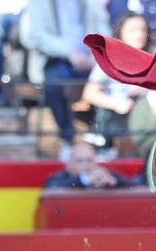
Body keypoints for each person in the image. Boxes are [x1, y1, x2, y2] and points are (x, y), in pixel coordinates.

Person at [19, 0, 111, 150]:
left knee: (111, 82)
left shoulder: (90, 3)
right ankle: (69, 140)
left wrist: (94, 56)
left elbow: (104, 32)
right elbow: (35, 37)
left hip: (92, 58)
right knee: (55, 87)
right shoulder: (38, 3)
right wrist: (69, 53)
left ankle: (104, 140)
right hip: (53, 59)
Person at [81, 14, 150, 153]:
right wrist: (116, 103)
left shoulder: (153, 58)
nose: (139, 34)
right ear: (121, 33)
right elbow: (89, 93)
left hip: (145, 119)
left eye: (143, 30)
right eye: (133, 30)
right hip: (116, 120)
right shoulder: (108, 59)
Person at [42, 138, 132, 188]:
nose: (86, 164)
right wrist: (84, 180)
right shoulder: (59, 177)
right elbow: (52, 187)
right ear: (69, 164)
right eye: (79, 160)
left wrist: (113, 182)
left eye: (89, 160)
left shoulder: (104, 174)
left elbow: (132, 185)